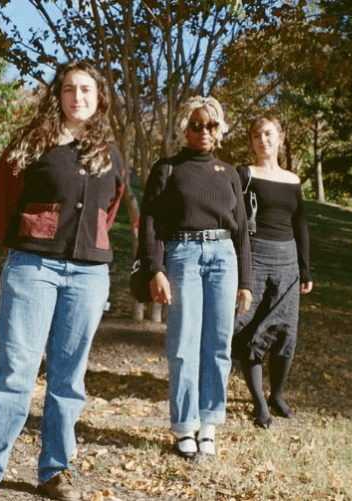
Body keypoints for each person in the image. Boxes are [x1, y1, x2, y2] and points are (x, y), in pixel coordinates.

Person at [0, 61, 125, 501]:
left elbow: (109, 210)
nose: (78, 97)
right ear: (58, 95)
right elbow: (1, 197)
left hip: (89, 275)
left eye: (86, 89)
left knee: (68, 378)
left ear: (99, 99)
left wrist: (86, 246)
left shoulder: (109, 153)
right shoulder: (31, 141)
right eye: (69, 89)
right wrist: (24, 241)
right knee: (15, 370)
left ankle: (56, 470)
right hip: (33, 268)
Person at [138, 96, 252, 461]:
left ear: (220, 129)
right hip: (183, 255)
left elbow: (242, 230)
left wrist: (246, 281)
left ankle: (210, 425)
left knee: (218, 344)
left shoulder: (229, 173)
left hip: (224, 258)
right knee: (184, 344)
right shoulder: (168, 169)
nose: (204, 131)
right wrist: (156, 268)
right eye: (196, 125)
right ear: (184, 129)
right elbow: (151, 223)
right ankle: (185, 426)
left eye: (211, 125)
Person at [232, 115, 313, 430]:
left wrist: (305, 269)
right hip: (255, 259)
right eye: (256, 135)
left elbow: (300, 224)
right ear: (251, 142)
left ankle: (277, 395)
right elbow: (234, 220)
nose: (262, 139)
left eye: (268, 133)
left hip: (288, 263)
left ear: (280, 137)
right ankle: (260, 404)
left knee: (285, 332)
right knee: (249, 330)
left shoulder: (293, 180)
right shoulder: (245, 174)